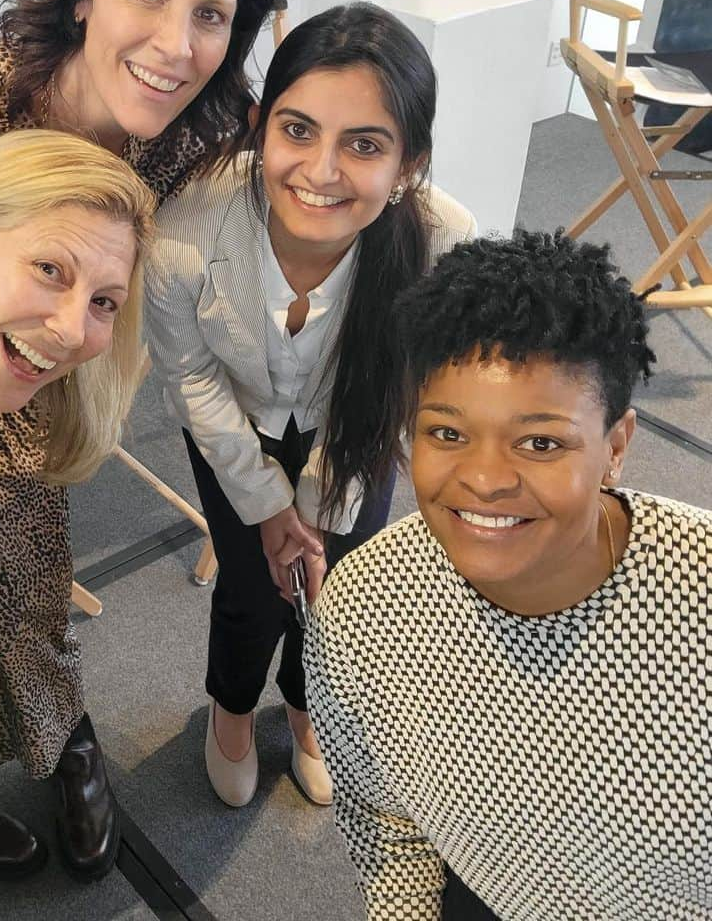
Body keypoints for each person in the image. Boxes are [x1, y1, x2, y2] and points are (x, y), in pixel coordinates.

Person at [0, 0, 283, 879]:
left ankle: (64, 742)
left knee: (20, 545)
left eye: (212, 14)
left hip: (49, 384)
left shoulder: (189, 147)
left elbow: (320, 194)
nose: (176, 43)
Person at [305, 230, 711, 919]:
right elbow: (387, 825)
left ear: (616, 447)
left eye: (542, 442)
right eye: (448, 434)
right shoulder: (363, 606)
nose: (486, 480)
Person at [145, 2, 477, 809]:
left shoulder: (444, 246)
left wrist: (321, 506)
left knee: (340, 584)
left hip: (356, 431)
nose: (320, 171)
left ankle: (306, 710)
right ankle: (230, 709)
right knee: (252, 587)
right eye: (297, 131)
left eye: (363, 145)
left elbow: (404, 395)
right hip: (232, 422)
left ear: (408, 165)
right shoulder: (185, 232)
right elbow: (191, 378)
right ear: (261, 128)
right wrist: (265, 506)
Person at [0, 129, 155, 879]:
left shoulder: (16, 389)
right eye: (50, 269)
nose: (79, 330)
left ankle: (64, 739)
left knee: (28, 605)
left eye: (104, 302)